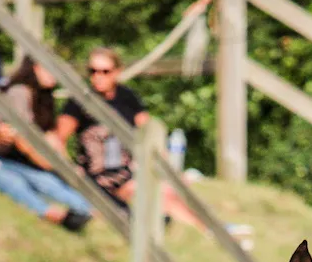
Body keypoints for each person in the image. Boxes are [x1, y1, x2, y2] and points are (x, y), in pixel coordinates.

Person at [55, 46, 205, 231]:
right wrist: (71, 170)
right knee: (122, 209)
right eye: (93, 71)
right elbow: (58, 139)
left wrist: (168, 171)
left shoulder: (127, 98)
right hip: (95, 177)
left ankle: (207, 230)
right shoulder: (79, 101)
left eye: (105, 71)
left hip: (126, 173)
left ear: (117, 71)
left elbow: (150, 135)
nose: (98, 76)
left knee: (165, 192)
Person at [0, 51, 91, 233]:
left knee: (49, 182)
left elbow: (51, 138)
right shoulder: (16, 94)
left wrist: (66, 166)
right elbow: (21, 142)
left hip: (1, 158)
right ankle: (55, 215)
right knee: (18, 182)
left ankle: (87, 211)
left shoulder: (42, 96)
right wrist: (57, 167)